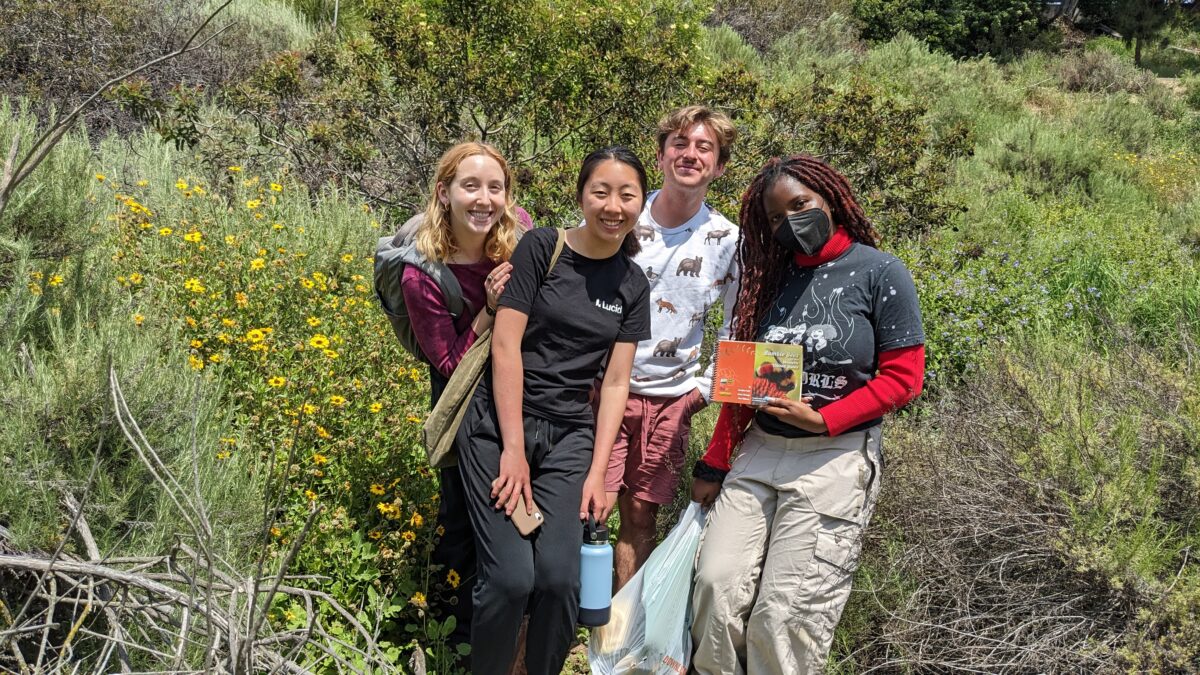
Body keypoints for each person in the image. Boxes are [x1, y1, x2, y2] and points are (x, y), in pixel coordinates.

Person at [689, 155, 926, 674]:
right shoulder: (768, 280)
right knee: (714, 587)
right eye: (776, 217)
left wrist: (826, 419)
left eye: (800, 205)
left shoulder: (879, 272)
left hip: (833, 459)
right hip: (759, 455)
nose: (791, 222)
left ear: (830, 199)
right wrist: (715, 462)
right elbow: (742, 382)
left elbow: (905, 378)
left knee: (784, 616)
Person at [454, 147, 652, 675]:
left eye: (627, 195)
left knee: (561, 580)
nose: (613, 206)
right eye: (601, 192)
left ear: (640, 203)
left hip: (570, 438)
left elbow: (615, 383)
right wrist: (514, 449)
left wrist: (598, 474)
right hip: (498, 427)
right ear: (582, 194)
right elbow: (505, 346)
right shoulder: (544, 246)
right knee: (509, 580)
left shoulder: (633, 284)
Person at [602, 105, 739, 590]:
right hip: (599, 392)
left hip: (670, 397)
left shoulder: (727, 239)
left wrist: (702, 390)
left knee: (640, 517)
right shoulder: (620, 216)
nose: (690, 154)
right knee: (584, 509)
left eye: (704, 147)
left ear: (719, 166)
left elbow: (736, 325)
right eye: (680, 143)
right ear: (660, 156)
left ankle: (616, 635)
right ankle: (565, 623)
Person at [400, 141, 528, 656]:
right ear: (444, 193)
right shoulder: (423, 273)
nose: (484, 199)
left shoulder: (518, 232)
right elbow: (449, 365)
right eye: (470, 186)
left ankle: (514, 624)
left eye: (494, 187)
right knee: (461, 518)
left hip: (521, 388)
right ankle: (452, 635)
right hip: (461, 400)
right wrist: (491, 309)